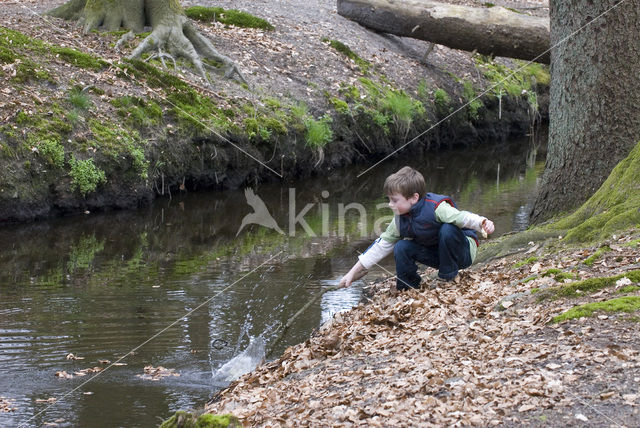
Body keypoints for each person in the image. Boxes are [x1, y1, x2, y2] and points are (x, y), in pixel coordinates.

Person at [339, 166, 495, 291]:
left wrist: (483, 222)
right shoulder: (400, 220)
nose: (390, 204)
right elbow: (380, 247)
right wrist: (351, 273)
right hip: (438, 255)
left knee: (447, 229)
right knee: (401, 246)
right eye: (389, 200)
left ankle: (448, 277)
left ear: (414, 198)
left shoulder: (436, 207)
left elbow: (463, 217)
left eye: (394, 200)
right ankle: (407, 288)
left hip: (463, 253)